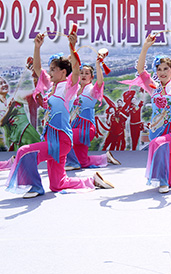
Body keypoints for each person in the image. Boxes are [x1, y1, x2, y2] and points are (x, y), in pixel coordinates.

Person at [5, 32, 113, 198]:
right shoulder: (51, 87)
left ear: (63, 72)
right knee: (58, 184)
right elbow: (37, 68)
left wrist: (72, 46)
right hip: (50, 139)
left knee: (25, 151)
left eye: (53, 70)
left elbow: (76, 70)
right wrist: (37, 47)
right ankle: (92, 180)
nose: (50, 72)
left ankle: (35, 187)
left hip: (60, 141)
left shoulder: (68, 88)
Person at [122, 32, 171, 193]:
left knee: (159, 143)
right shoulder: (153, 88)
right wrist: (145, 47)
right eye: (159, 69)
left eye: (166, 69)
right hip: (158, 131)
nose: (162, 72)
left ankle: (163, 182)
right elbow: (140, 70)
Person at [65, 57, 121, 170]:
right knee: (83, 162)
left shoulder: (91, 90)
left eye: (87, 73)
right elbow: (67, 79)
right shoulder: (75, 90)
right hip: (75, 125)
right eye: (81, 73)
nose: (83, 75)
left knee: (66, 136)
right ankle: (105, 158)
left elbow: (100, 83)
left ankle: (71, 163)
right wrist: (70, 62)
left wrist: (98, 64)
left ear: (91, 77)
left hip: (85, 129)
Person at [0, 75, 41, 150]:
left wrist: (36, 78)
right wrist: (10, 110)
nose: (4, 85)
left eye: (4, 82)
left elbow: (33, 94)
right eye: (0, 84)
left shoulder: (15, 97)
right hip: (14, 139)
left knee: (37, 153)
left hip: (27, 132)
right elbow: (1, 123)